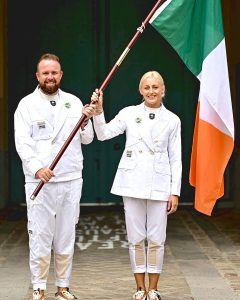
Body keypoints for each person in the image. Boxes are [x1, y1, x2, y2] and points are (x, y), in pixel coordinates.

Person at [91, 71, 182, 300]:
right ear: (140, 90)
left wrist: (175, 191)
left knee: (156, 238)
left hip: (159, 183)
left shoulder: (172, 119)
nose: (151, 91)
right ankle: (139, 288)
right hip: (132, 182)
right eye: (147, 87)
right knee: (135, 237)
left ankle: (154, 288)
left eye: (155, 87)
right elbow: (103, 134)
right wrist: (99, 111)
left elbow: (176, 157)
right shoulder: (129, 113)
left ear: (163, 90)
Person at [14, 53, 96, 300]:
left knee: (66, 236)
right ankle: (39, 286)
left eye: (54, 72)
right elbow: (23, 142)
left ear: (61, 75)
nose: (50, 77)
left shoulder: (74, 102)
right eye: (45, 73)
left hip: (70, 178)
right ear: (38, 76)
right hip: (40, 181)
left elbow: (88, 138)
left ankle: (63, 286)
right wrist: (37, 167)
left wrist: (86, 120)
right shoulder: (26, 105)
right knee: (40, 235)